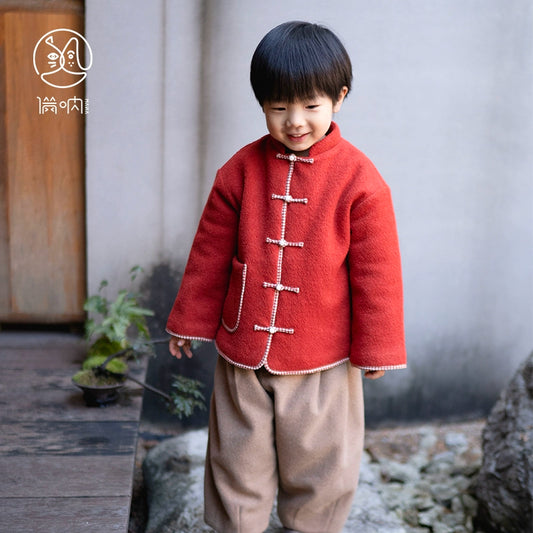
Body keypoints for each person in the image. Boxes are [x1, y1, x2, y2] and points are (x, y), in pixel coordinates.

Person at [167, 20, 406, 533]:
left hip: (323, 358)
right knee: (237, 457)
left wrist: (378, 347)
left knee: (323, 463)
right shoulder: (240, 171)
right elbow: (209, 250)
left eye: (311, 106)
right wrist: (190, 319)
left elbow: (377, 272)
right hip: (243, 350)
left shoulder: (361, 182)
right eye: (279, 108)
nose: (295, 121)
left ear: (339, 98)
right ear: (262, 104)